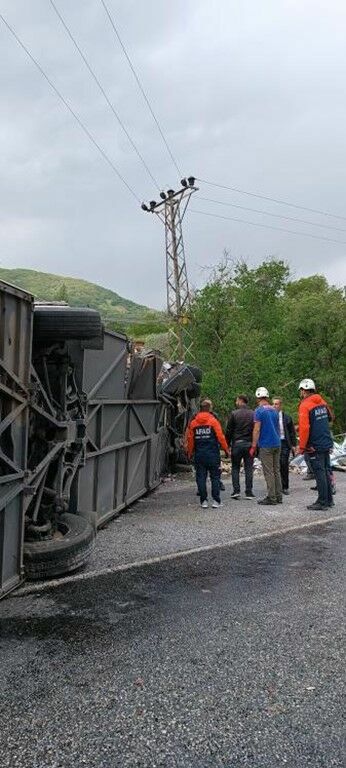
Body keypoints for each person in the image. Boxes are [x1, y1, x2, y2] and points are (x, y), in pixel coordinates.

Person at [297, 378, 334, 510]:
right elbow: (330, 417)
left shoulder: (305, 405)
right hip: (326, 441)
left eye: (301, 390)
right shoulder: (322, 401)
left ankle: (322, 501)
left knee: (319, 473)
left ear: (303, 390)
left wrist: (302, 446)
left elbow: (305, 428)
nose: (300, 393)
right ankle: (329, 500)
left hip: (314, 444)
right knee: (325, 471)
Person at [186, 399, 229, 509]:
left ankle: (203, 501)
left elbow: (190, 440)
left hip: (199, 455)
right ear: (209, 409)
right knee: (215, 477)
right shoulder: (213, 421)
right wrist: (226, 450)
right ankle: (216, 501)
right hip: (213, 454)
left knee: (201, 478)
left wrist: (189, 453)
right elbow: (221, 437)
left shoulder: (194, 423)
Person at [250, 387, 282, 505]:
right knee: (276, 470)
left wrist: (253, 445)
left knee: (268, 472)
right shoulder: (274, 410)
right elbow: (278, 428)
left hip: (266, 444)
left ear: (257, 397)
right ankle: (279, 496)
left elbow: (257, 429)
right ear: (267, 397)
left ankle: (271, 497)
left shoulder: (258, 411)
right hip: (277, 443)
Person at [225, 394, 255, 499]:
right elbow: (255, 430)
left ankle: (236, 491)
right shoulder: (253, 413)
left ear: (240, 401)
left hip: (237, 444)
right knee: (248, 468)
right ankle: (249, 492)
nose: (236, 402)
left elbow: (229, 430)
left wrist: (227, 445)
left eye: (237, 400)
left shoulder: (234, 414)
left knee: (235, 468)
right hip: (249, 444)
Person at [272, 397, 297, 495]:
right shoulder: (270, 417)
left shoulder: (287, 418)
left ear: (280, 405)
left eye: (276, 404)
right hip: (273, 442)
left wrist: (294, 445)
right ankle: (276, 486)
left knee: (283, 464)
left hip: (284, 443)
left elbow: (292, 432)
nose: (274, 406)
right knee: (274, 465)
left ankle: (285, 486)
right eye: (273, 404)